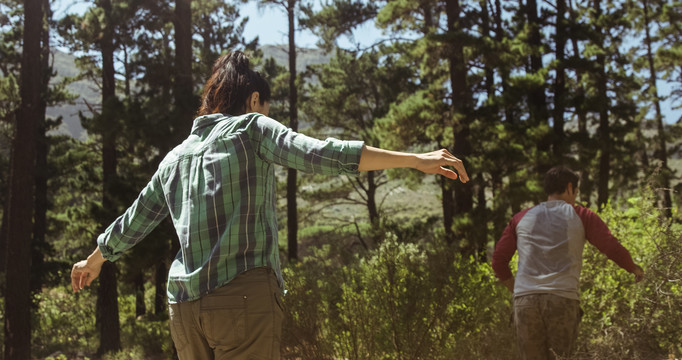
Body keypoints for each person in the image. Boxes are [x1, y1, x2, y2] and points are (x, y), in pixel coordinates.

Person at [70, 50, 469, 360]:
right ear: (254, 98)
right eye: (266, 106)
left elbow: (136, 218)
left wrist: (94, 260)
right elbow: (322, 155)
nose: (267, 114)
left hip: (184, 310)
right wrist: (415, 160)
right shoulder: (252, 128)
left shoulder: (177, 156)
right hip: (242, 298)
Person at [491, 166, 644, 360]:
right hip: (562, 299)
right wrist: (633, 268)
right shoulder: (582, 215)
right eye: (576, 191)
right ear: (570, 188)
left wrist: (518, 290)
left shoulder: (520, 218)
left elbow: (498, 261)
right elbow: (610, 246)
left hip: (525, 303)